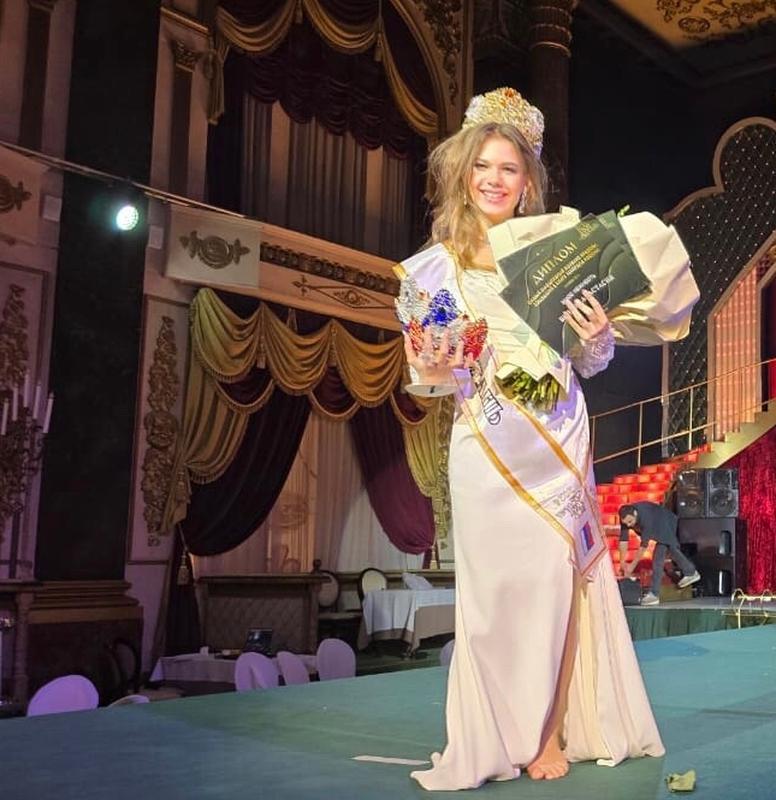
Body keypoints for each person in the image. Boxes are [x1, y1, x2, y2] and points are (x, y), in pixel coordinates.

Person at [394, 87, 698, 790]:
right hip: (485, 444)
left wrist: (598, 337)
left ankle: (549, 731)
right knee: (491, 600)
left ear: (528, 180)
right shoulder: (436, 268)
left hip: (557, 435)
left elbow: (585, 361)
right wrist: (437, 357)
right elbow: (428, 379)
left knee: (558, 587)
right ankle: (491, 734)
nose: (494, 180)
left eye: (509, 168)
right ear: (463, 173)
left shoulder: (555, 250)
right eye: (483, 167)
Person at [619, 501, 701, 605]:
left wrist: (632, 566)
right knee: (671, 548)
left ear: (635, 513)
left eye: (630, 522)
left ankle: (654, 594)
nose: (628, 525)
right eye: (626, 523)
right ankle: (690, 571)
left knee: (658, 558)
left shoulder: (646, 518)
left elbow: (643, 547)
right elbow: (623, 541)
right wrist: (622, 562)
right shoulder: (626, 518)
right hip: (659, 526)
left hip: (665, 523)